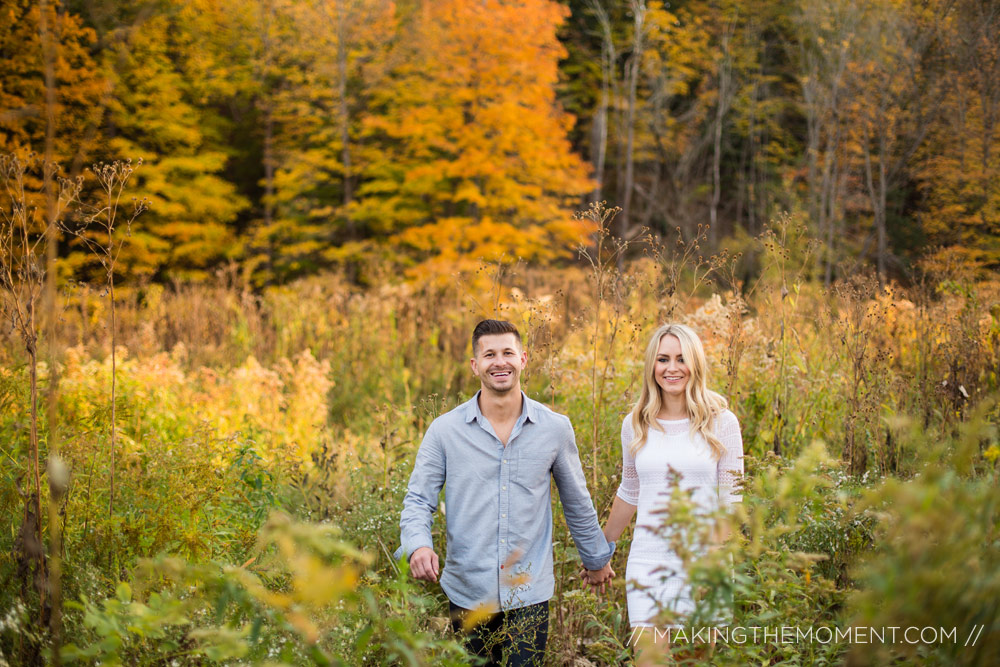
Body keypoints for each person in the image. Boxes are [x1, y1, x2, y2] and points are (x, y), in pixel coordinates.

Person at [396, 319, 616, 666]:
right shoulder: (445, 431)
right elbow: (419, 499)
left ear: (523, 359)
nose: (500, 362)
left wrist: (596, 559)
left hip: (529, 592)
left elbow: (577, 502)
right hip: (468, 592)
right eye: (489, 355)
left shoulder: (554, 429)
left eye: (508, 353)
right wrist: (418, 545)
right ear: (475, 365)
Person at [586, 323, 744, 666]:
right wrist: (600, 552)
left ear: (696, 364)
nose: (672, 368)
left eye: (681, 359)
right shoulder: (636, 423)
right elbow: (630, 490)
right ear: (651, 366)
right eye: (662, 359)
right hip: (649, 563)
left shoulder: (722, 422)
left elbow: (731, 502)